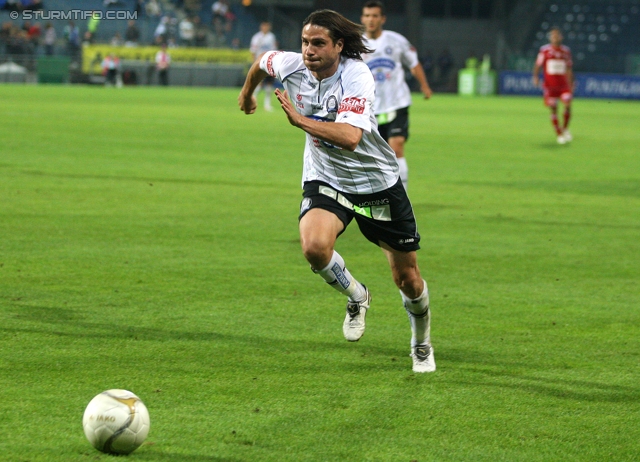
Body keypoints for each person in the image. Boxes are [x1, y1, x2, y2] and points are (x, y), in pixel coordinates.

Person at [238, 9, 435, 373]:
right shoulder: (291, 64)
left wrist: (301, 120)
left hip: (375, 183)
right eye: (305, 42)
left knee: (406, 278)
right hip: (326, 177)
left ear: (339, 46)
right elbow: (261, 64)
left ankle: (421, 341)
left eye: (318, 43)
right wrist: (248, 94)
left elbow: (350, 137)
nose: (308, 50)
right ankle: (357, 296)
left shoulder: (356, 75)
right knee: (314, 248)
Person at [360, 1, 432, 192]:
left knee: (397, 145)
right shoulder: (357, 44)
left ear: (382, 19)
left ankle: (403, 197)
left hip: (397, 102)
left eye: (375, 15)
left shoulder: (396, 40)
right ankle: (380, 193)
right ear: (362, 18)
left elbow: (414, 63)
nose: (371, 19)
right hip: (371, 107)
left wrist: (424, 86)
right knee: (377, 154)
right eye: (367, 15)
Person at [532, 27, 574, 145]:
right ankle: (559, 134)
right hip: (550, 86)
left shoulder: (566, 51)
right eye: (552, 36)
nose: (555, 38)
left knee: (567, 104)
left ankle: (565, 129)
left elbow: (569, 69)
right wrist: (535, 77)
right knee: (553, 109)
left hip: (563, 86)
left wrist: (571, 84)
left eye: (557, 35)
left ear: (561, 37)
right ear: (550, 37)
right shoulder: (544, 51)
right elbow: (537, 65)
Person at [249, 21, 278, 111]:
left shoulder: (271, 37)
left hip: (269, 63)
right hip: (259, 63)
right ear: (261, 27)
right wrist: (254, 63)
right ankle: (251, 100)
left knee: (269, 84)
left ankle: (267, 104)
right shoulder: (256, 37)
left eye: (267, 26)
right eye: (264, 26)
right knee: (259, 83)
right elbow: (253, 51)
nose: (265, 28)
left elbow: (274, 51)